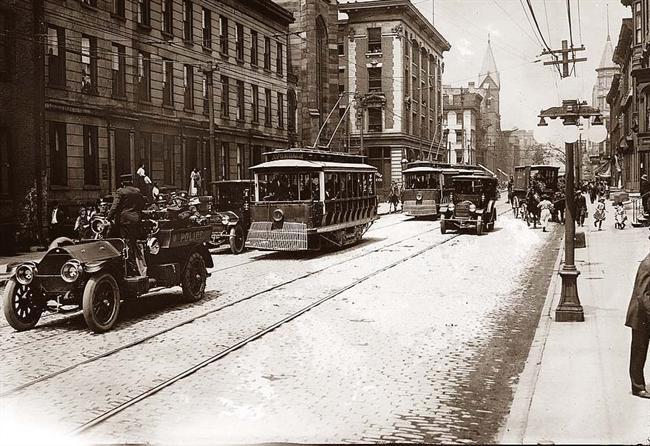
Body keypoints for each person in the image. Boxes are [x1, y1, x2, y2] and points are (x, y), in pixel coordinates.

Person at [625, 235, 650, 399]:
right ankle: (637, 386)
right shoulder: (648, 264)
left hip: (645, 313)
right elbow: (643, 295)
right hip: (641, 314)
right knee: (639, 352)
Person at [107, 178, 147, 276]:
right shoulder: (137, 191)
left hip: (124, 221)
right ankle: (138, 267)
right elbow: (143, 203)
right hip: (136, 220)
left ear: (122, 183)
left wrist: (108, 218)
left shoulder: (121, 191)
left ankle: (129, 268)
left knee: (124, 244)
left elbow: (115, 206)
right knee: (134, 243)